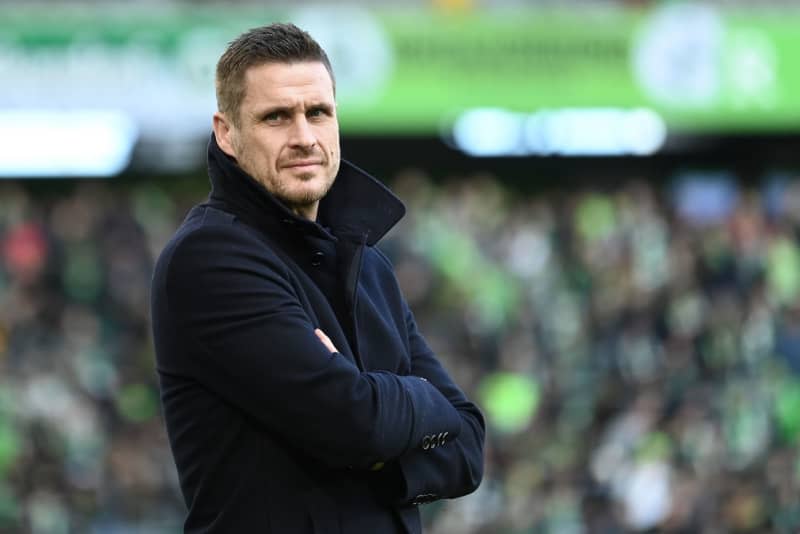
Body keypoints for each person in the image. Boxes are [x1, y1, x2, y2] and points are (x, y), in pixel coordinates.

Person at [150, 23, 485, 533]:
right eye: (276, 117)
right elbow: (355, 423)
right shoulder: (210, 257)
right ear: (227, 133)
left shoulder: (369, 263)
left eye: (318, 113)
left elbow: (468, 448)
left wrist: (378, 441)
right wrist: (417, 401)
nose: (303, 137)